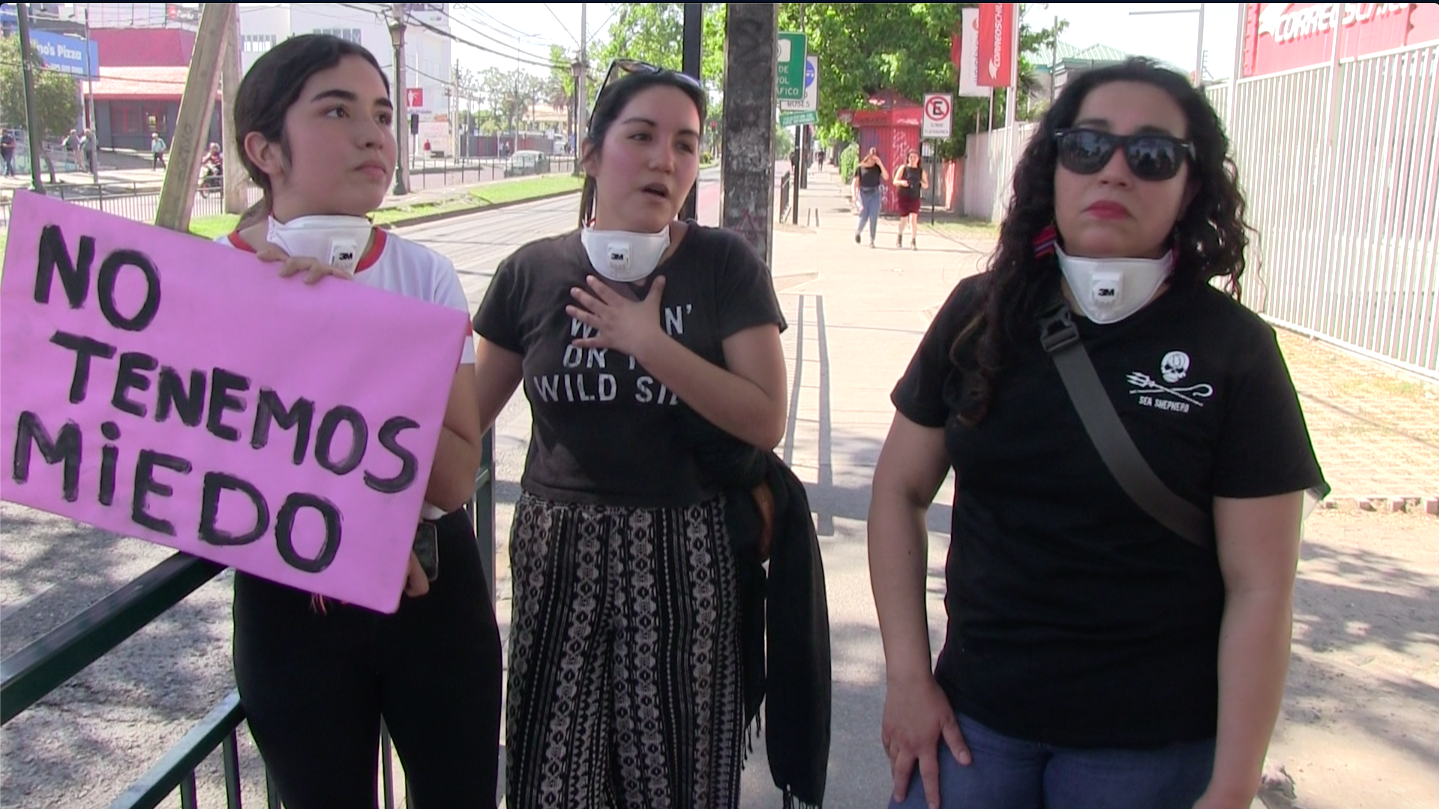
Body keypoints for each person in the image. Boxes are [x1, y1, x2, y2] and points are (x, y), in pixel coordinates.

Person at [868, 57, 1327, 809]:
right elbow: (898, 489)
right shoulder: (977, 314)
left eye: (1150, 156)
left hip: (1149, 750)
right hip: (970, 726)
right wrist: (908, 678)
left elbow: (1260, 585)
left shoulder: (1233, 349)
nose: (1114, 172)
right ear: (1054, 168)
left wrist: (1233, 783)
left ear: (1189, 187)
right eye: (1087, 147)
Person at [470, 59, 806, 808]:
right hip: (557, 551)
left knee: (677, 780)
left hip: (684, 552)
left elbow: (764, 416)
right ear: (590, 153)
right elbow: (464, 418)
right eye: (642, 136)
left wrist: (647, 341)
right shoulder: (529, 273)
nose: (665, 160)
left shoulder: (723, 264)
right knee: (553, 783)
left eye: (686, 144)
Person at [217, 34, 502, 809]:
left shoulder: (421, 274)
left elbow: (450, 471)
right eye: (337, 111)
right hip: (288, 600)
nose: (375, 133)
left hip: (432, 589)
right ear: (264, 148)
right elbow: (192, 469)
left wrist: (345, 333)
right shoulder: (209, 287)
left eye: (381, 113)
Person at [852, 146, 888, 247]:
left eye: (875, 158)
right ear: (868, 156)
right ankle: (858, 232)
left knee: (873, 217)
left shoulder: (877, 168)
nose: (873, 160)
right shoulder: (860, 167)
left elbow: (886, 176)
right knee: (863, 216)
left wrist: (880, 163)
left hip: (875, 194)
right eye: (871, 157)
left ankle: (872, 239)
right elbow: (855, 183)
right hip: (863, 193)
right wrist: (854, 195)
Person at [893, 150, 927, 250]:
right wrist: (902, 183)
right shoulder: (903, 168)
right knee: (903, 219)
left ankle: (913, 240)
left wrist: (922, 184)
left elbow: (926, 184)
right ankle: (899, 236)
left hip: (915, 196)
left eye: (915, 157)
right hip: (903, 196)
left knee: (913, 219)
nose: (913, 159)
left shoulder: (921, 171)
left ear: (918, 159)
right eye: (911, 157)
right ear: (908, 158)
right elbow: (895, 181)